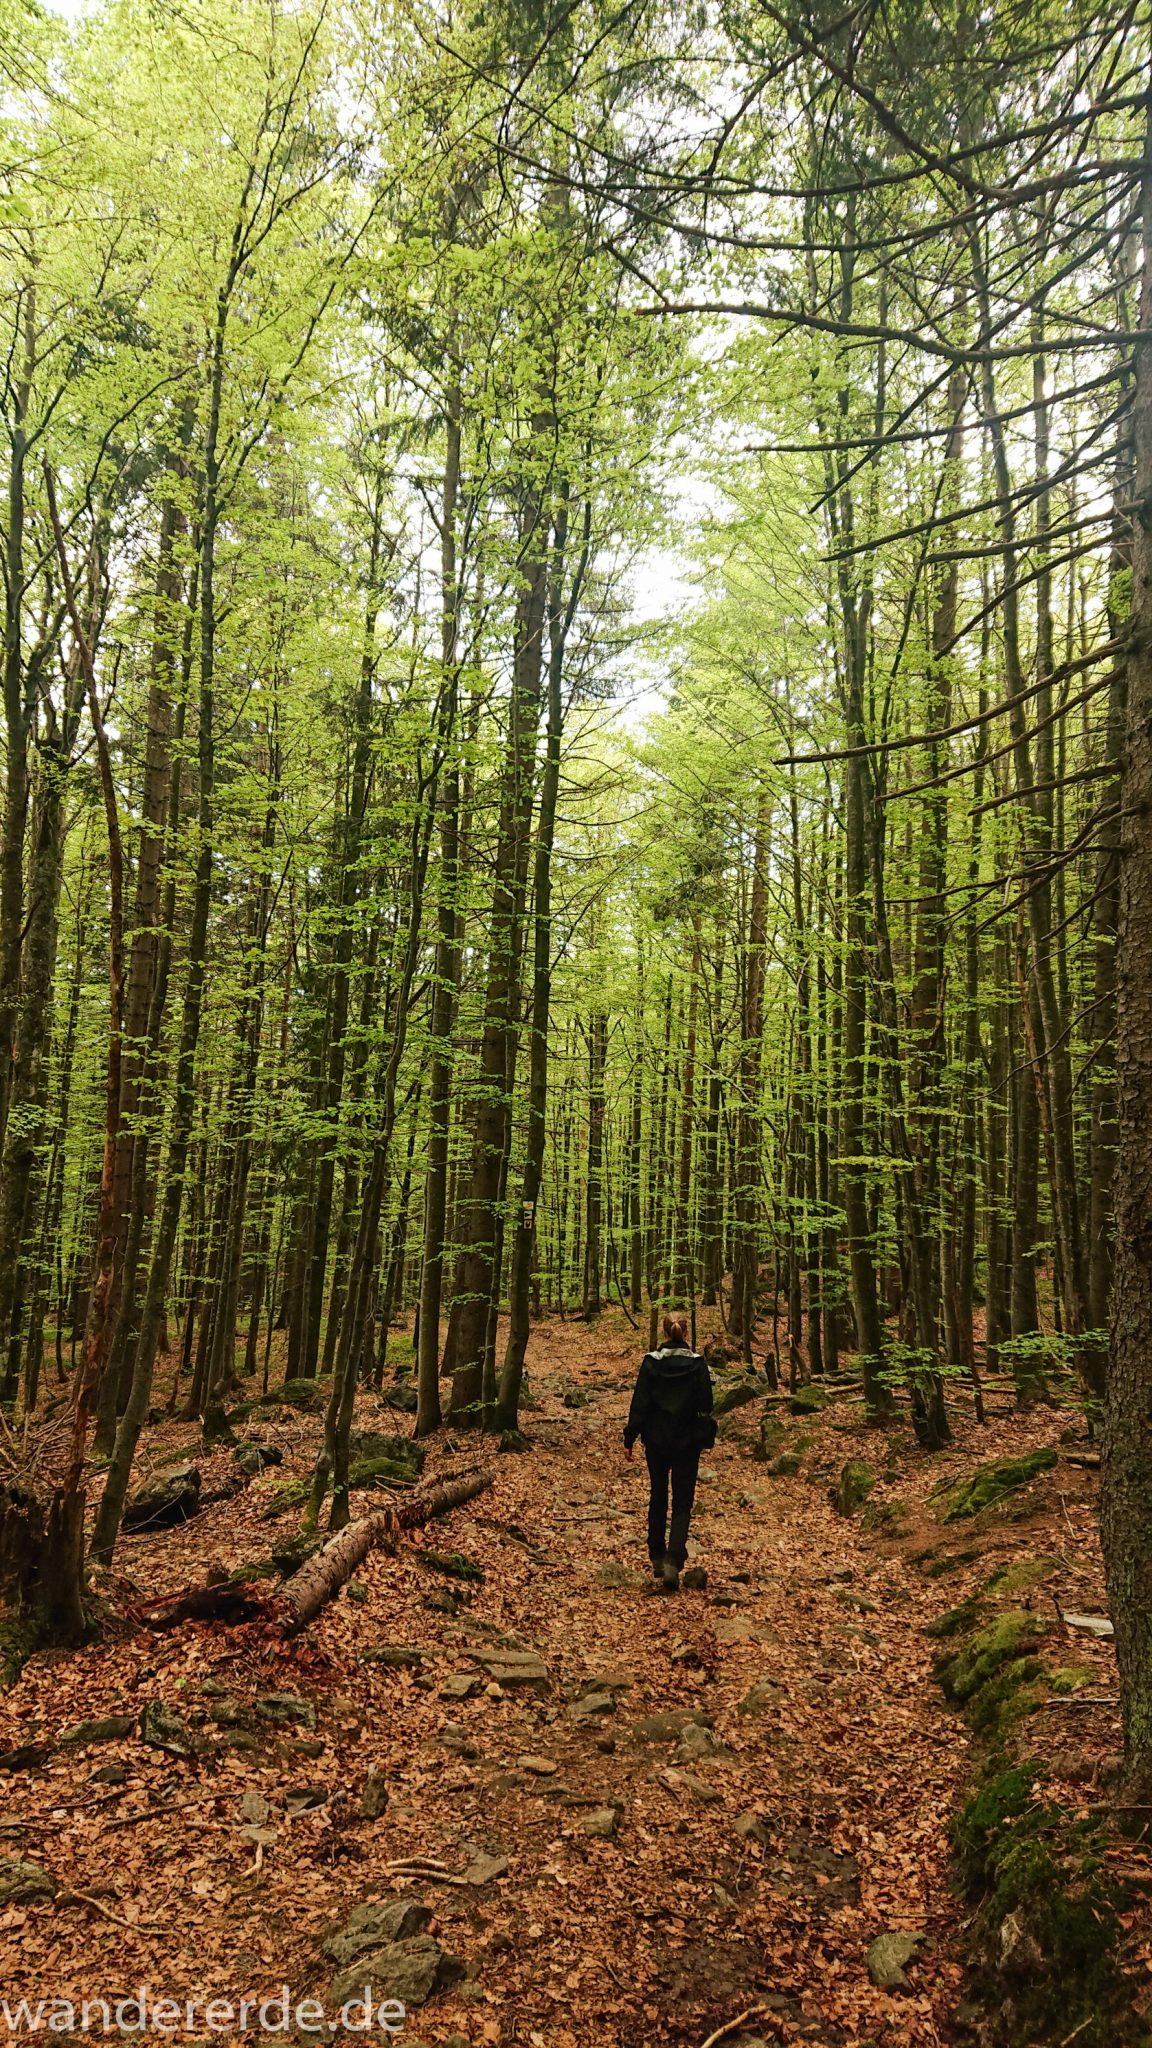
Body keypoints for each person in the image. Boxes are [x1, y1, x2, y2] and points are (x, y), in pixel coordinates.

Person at [623, 1314, 715, 1593]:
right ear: (685, 1332)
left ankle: (657, 1556)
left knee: (658, 1494)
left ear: (664, 1332)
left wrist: (630, 1437)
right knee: (683, 1501)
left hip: (657, 1440)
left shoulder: (651, 1362)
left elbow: (639, 1402)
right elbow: (706, 1403)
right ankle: (674, 1559)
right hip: (688, 1441)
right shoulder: (698, 1363)